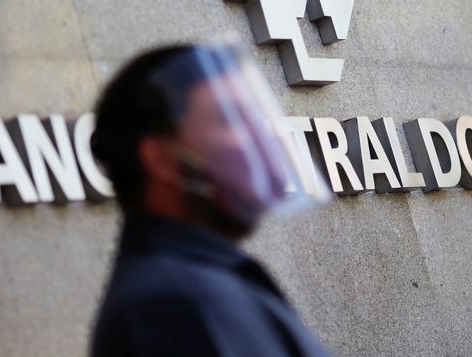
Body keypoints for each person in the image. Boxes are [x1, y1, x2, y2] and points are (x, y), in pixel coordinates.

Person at [89, 42, 333, 357]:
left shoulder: (200, 280)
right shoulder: (173, 308)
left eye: (256, 117)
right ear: (162, 159)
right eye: (230, 119)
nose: (262, 137)